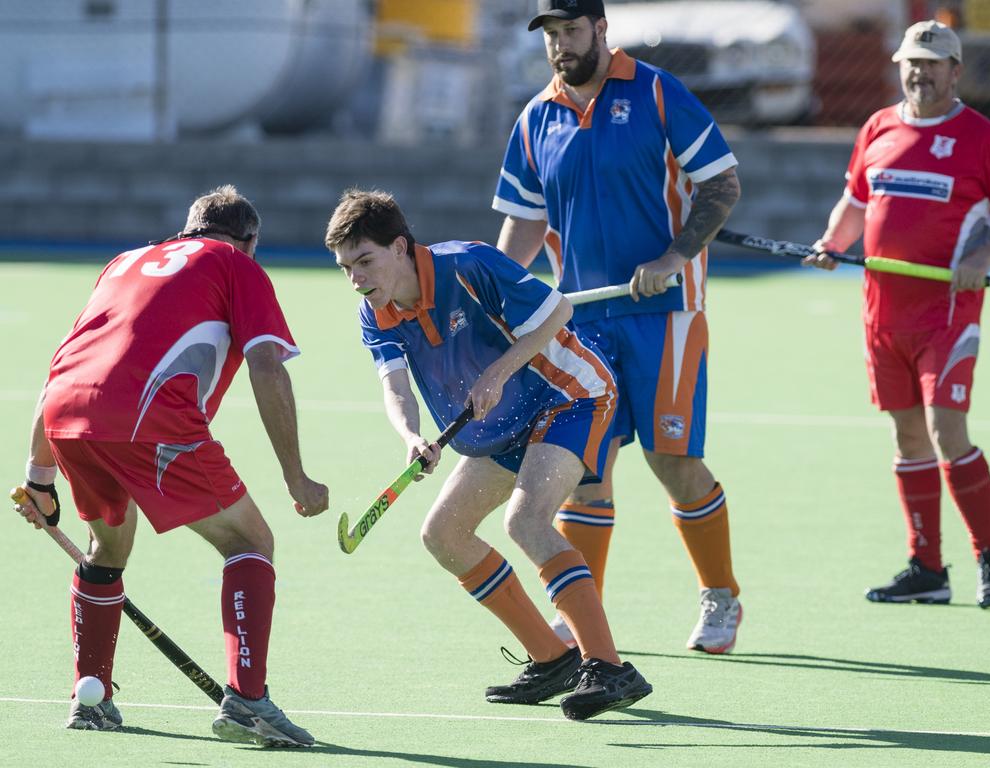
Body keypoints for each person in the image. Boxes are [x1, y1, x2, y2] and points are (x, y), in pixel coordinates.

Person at [13, 185, 329, 745]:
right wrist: (295, 475)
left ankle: (92, 696)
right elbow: (266, 365)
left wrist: (39, 478)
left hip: (69, 414)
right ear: (250, 241)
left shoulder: (125, 262)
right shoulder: (237, 264)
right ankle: (248, 702)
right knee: (250, 542)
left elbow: (65, 362)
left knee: (106, 549)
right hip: (149, 417)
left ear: (187, 229)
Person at [325, 188, 651, 721]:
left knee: (526, 520)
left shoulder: (467, 266)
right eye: (345, 268)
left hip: (570, 395)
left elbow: (558, 311)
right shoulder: (375, 313)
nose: (356, 279)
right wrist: (411, 436)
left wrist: (496, 373)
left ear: (401, 247)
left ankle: (610, 667)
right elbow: (395, 388)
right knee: (443, 534)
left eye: (365, 261)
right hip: (504, 422)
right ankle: (553, 658)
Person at [492, 0, 744, 653]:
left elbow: (721, 185)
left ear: (601, 29)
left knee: (673, 460)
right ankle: (583, 617)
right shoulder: (535, 118)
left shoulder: (659, 92)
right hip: (582, 322)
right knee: (585, 469)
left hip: (666, 314)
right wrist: (497, 298)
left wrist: (672, 256)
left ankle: (721, 596)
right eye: (550, 34)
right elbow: (522, 220)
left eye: (570, 30)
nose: (560, 46)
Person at [804, 21, 990, 607]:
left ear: (956, 71)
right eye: (911, 62)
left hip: (947, 314)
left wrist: (984, 252)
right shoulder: (877, 127)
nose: (920, 72)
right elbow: (854, 204)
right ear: (898, 67)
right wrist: (832, 245)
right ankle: (928, 568)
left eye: (933, 62)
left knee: (945, 431)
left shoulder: (980, 138)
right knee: (907, 438)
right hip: (883, 313)